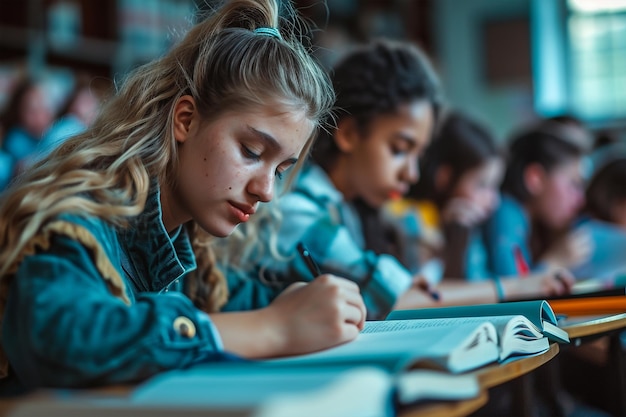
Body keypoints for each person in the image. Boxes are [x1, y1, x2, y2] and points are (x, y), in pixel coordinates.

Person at [0, 0, 366, 393]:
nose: (266, 191)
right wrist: (273, 327)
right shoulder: (78, 220)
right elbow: (59, 341)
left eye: (280, 170)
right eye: (252, 152)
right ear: (185, 120)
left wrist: (298, 300)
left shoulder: (183, 238)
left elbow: (235, 297)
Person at [216, 40, 573, 321]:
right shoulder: (298, 210)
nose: (412, 173)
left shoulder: (356, 213)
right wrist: (521, 285)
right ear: (350, 134)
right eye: (400, 149)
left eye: (419, 155)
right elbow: (398, 299)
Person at [385, 110, 504, 281]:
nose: (494, 199)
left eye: (495, 186)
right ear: (445, 177)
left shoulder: (469, 228)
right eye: (482, 185)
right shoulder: (411, 224)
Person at [483, 120, 593, 278]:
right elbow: (514, 294)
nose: (580, 199)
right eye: (573, 184)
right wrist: (555, 262)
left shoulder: (520, 219)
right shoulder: (507, 215)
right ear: (536, 179)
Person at [0, 77, 55, 190]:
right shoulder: (16, 138)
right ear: (18, 113)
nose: (40, 116)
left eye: (45, 108)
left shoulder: (58, 132)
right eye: (32, 111)